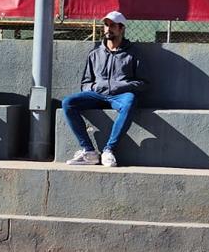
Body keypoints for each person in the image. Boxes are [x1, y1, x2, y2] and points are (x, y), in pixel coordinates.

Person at [61, 11, 147, 167]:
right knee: (68, 102)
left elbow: (143, 83)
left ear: (121, 28)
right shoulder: (95, 53)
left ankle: (108, 150)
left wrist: (120, 86)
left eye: (112, 25)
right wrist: (95, 87)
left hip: (119, 96)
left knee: (130, 101)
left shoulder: (133, 53)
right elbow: (85, 82)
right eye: (106, 25)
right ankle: (89, 152)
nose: (108, 29)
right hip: (97, 95)